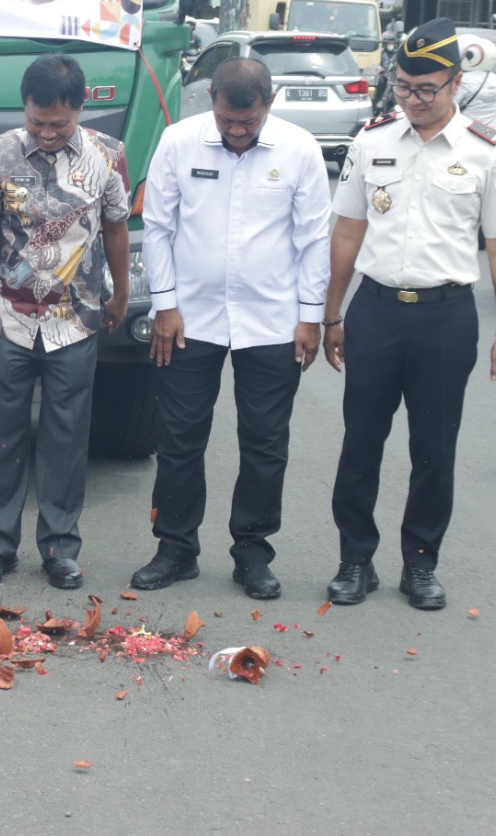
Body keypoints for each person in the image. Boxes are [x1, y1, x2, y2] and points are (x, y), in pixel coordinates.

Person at [323, 18, 496, 612]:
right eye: (403, 87)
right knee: (361, 442)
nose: (412, 99)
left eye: (425, 89)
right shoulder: (372, 140)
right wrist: (333, 315)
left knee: (435, 447)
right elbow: (347, 235)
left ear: (456, 84)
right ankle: (354, 560)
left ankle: (421, 564)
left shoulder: (487, 150)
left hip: (446, 318)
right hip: (377, 312)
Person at [135, 58, 331, 600]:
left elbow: (314, 239)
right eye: (227, 121)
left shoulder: (299, 149)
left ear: (270, 103)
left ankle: (252, 551)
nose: (237, 132)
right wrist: (165, 305)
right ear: (212, 102)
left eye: (248, 122)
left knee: (265, 444)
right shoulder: (179, 141)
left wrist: (309, 317)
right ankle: (175, 548)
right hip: (188, 319)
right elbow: (158, 227)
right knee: (179, 440)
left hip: (272, 321)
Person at [0, 53, 131, 590]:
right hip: (7, 318)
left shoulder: (109, 156)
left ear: (80, 108)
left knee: (66, 434)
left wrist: (121, 294)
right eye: (38, 121)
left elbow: (116, 230)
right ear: (25, 108)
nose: (48, 132)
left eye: (59, 123)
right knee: (0, 434)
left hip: (75, 319)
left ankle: (60, 547)